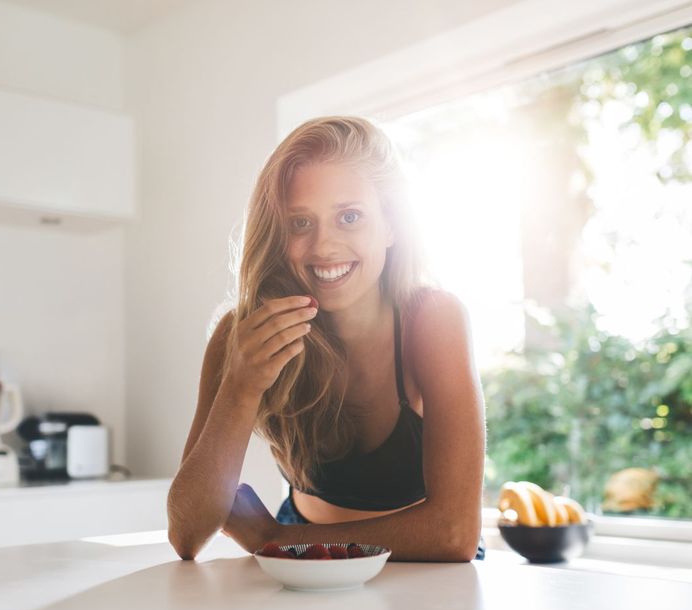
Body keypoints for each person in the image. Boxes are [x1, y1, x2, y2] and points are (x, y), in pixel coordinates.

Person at [167, 115, 487, 562]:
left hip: (417, 559)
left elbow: (453, 534)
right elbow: (187, 534)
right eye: (300, 223)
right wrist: (241, 387)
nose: (323, 247)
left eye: (349, 217)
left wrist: (272, 539)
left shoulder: (432, 319)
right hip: (299, 552)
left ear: (392, 224)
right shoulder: (239, 336)